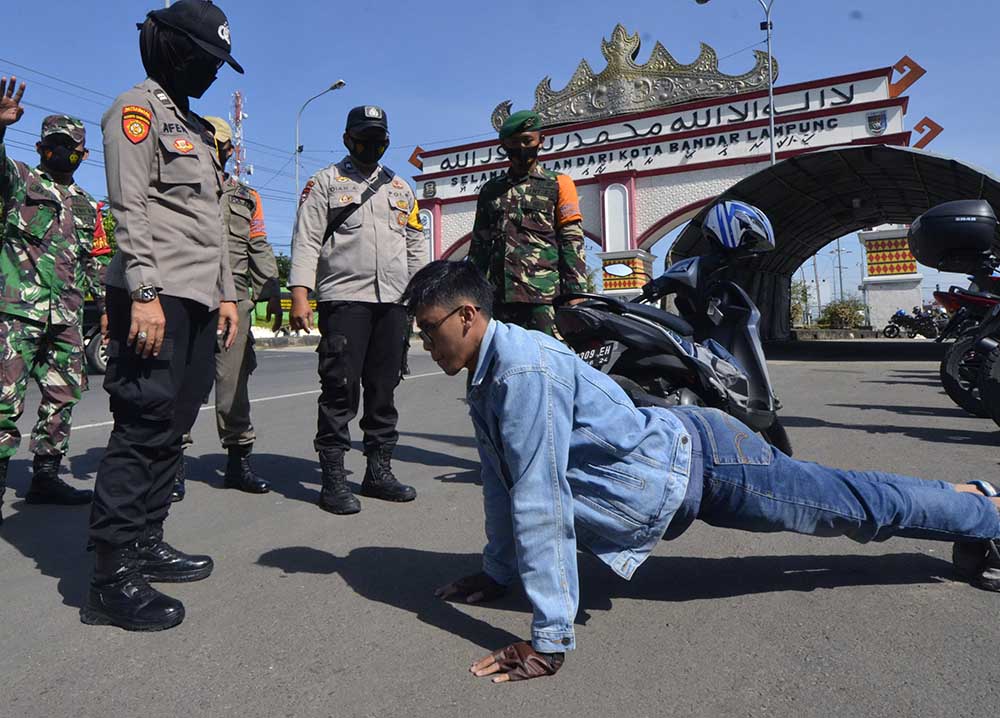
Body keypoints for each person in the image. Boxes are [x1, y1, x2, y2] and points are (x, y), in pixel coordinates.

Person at [401, 259, 1000, 683]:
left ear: (467, 316)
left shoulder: (521, 373)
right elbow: (502, 483)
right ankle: (968, 499)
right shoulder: (492, 369)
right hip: (689, 462)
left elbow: (540, 499)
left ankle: (984, 511)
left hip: (711, 465)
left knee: (851, 509)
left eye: (428, 330)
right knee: (847, 501)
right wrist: (497, 572)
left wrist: (549, 640)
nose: (425, 344)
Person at [82, 0, 243, 632]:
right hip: (154, 294)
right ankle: (109, 575)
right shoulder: (136, 111)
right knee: (143, 423)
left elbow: (212, 227)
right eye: (206, 61)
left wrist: (228, 293)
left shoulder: (200, 132)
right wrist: (144, 292)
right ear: (176, 50)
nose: (210, 76)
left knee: (174, 425)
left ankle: (147, 540)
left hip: (199, 297)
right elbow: (128, 206)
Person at [289, 105, 426, 515]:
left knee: (384, 389)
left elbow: (415, 244)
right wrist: (300, 292)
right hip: (345, 299)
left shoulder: (401, 188)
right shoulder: (325, 183)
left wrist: (421, 295)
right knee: (339, 390)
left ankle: (378, 472)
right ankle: (333, 479)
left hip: (393, 303)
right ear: (348, 139)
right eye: (364, 137)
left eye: (379, 138)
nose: (372, 145)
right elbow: (307, 238)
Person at [0, 78, 112, 524]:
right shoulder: (20, 181)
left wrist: (106, 310)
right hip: (16, 310)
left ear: (83, 154)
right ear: (41, 145)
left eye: (70, 146)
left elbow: (97, 262)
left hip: (66, 315)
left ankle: (46, 476)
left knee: (62, 396)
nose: (61, 152)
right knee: (4, 398)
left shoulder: (87, 205)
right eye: (54, 144)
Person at [171, 115, 283, 502]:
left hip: (236, 302)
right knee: (184, 384)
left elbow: (258, 246)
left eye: (213, 142)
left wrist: (272, 289)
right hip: (188, 298)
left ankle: (238, 463)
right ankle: (173, 468)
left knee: (234, 388)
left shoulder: (247, 198)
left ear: (228, 149)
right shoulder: (183, 184)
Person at [468, 110, 588, 337]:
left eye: (527, 141)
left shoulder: (560, 184)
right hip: (498, 299)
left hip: (544, 299)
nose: (521, 148)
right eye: (514, 143)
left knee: (550, 362)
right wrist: (471, 294)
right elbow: (478, 248)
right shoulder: (491, 190)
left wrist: (576, 294)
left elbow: (572, 241)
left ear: (541, 141)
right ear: (503, 145)